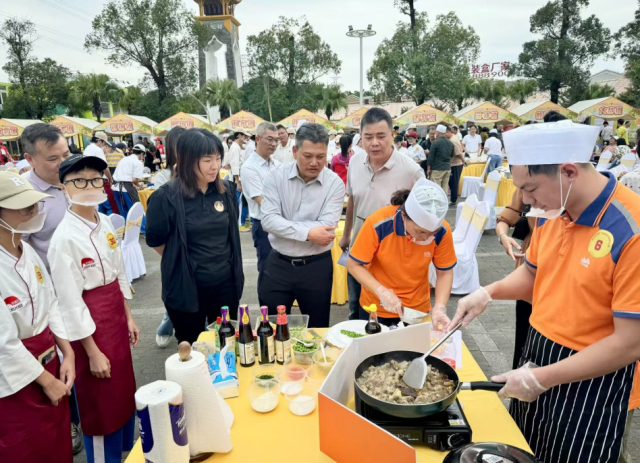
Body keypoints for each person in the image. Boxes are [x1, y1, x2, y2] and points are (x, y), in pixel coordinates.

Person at [449, 120, 640, 463]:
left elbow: (630, 342)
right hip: (538, 353)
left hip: (594, 380)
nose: (525, 199)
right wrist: (487, 292)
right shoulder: (552, 212)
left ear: (568, 171)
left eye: (531, 187)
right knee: (524, 450)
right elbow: (533, 276)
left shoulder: (631, 229)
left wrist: (542, 378)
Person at [48, 154, 139, 463]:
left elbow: (119, 270)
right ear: (64, 188)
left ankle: (127, 451)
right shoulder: (64, 239)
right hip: (89, 325)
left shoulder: (103, 222)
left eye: (95, 179)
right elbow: (70, 302)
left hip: (114, 314)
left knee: (122, 391)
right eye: (79, 181)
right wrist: (92, 350)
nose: (88, 187)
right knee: (100, 402)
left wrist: (128, 316)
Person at [0, 171, 75, 463]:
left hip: (49, 359)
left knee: (56, 442)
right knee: (25, 446)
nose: (33, 212)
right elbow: (5, 344)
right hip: (16, 378)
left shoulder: (26, 249)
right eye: (24, 207)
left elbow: (51, 303)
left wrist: (67, 353)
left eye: (34, 205)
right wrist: (46, 381)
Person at [19, 123, 84, 453]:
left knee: (87, 356)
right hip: (52, 298)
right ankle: (72, 420)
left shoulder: (72, 182)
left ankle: (88, 410)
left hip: (84, 290)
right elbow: (24, 254)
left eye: (66, 155)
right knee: (63, 361)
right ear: (30, 159)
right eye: (52, 159)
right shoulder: (23, 200)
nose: (62, 164)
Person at [146, 128, 244, 344]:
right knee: (190, 346)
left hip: (225, 286)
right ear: (188, 160)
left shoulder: (226, 191)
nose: (215, 166)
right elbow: (157, 242)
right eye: (207, 159)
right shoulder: (165, 197)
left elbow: (230, 235)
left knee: (226, 343)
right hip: (186, 289)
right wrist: (182, 261)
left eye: (218, 158)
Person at [340, 108, 425, 320]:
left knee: (387, 311)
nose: (374, 143)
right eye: (368, 137)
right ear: (360, 137)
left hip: (391, 256)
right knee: (356, 307)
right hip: (358, 249)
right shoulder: (355, 162)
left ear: (392, 135)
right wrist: (346, 234)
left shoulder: (411, 171)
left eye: (381, 136)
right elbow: (353, 200)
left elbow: (423, 218)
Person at [259, 123, 345, 328]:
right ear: (295, 151)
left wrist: (286, 226)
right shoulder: (276, 177)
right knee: (271, 327)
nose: (314, 163)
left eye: (321, 156)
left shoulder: (335, 184)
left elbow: (326, 227)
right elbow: (269, 220)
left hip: (316, 267)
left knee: (317, 328)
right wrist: (308, 232)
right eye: (307, 156)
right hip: (278, 264)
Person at [347, 179, 455, 327]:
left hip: (417, 309)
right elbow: (354, 265)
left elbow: (445, 272)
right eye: (421, 231)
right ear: (404, 216)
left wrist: (440, 307)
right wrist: (382, 292)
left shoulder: (442, 231)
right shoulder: (379, 223)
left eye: (432, 233)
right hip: (376, 307)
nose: (426, 238)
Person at [240, 122, 281, 298]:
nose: (273, 144)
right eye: (269, 139)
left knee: (281, 269)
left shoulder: (277, 164)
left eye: (276, 140)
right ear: (257, 139)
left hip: (281, 222)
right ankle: (268, 313)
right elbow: (261, 201)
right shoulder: (249, 168)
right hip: (263, 225)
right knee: (267, 270)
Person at [84, 132, 118, 215]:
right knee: (111, 206)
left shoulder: (87, 149)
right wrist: (110, 178)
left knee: (99, 207)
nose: (104, 145)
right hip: (101, 181)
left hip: (90, 182)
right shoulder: (98, 149)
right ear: (99, 141)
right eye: (104, 143)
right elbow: (105, 167)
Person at [112, 144, 144, 218]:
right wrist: (139, 186)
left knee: (124, 213)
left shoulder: (124, 159)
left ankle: (127, 229)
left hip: (116, 188)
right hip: (127, 190)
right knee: (136, 212)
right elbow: (135, 180)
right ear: (142, 153)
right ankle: (141, 229)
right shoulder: (138, 163)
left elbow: (122, 177)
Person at [427, 124, 454, 190]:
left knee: (435, 188)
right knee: (444, 187)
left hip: (437, 169)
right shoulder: (450, 143)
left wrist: (428, 169)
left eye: (436, 132)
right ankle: (444, 200)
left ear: (438, 132)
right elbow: (452, 155)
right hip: (447, 168)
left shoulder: (435, 143)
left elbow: (430, 157)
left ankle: (437, 200)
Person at [447, 126, 465, 206]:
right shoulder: (453, 137)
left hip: (456, 164)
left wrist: (463, 160)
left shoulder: (452, 141)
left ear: (448, 132)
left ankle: (453, 200)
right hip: (454, 163)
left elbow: (458, 153)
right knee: (452, 182)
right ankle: (453, 198)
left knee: (454, 182)